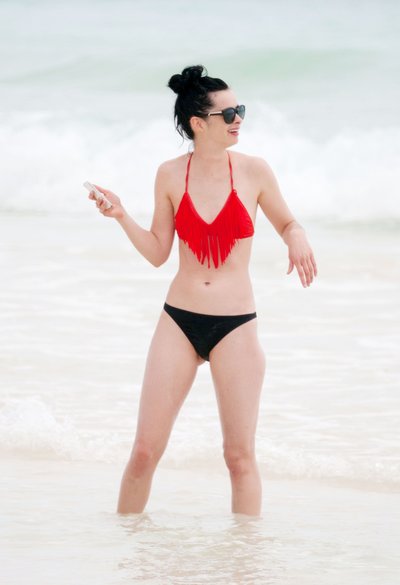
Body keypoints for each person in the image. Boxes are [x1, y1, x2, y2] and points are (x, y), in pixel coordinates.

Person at [88, 65, 317, 517]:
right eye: (228, 113)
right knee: (143, 452)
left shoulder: (254, 171)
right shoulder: (170, 175)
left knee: (238, 458)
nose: (238, 119)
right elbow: (158, 253)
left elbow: (288, 221)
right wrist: (121, 216)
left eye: (240, 109)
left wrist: (297, 235)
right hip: (179, 319)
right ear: (198, 122)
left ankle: (243, 555)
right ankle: (124, 544)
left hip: (236, 325)